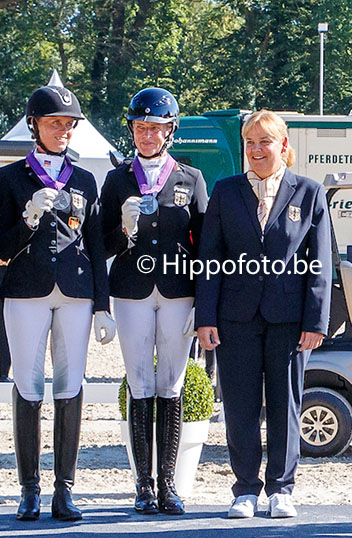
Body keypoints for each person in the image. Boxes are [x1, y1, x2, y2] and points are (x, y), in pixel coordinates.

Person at [195, 109, 332, 519]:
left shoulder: (309, 193)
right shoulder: (225, 191)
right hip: (235, 316)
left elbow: (320, 262)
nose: (256, 150)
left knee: (284, 403)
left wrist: (315, 322)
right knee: (239, 405)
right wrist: (206, 316)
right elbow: (209, 257)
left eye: (265, 142)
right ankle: (245, 490)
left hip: (289, 319)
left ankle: (281, 488)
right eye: (250, 143)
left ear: (283, 146)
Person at [0, 85, 116, 522]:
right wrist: (27, 217)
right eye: (53, 123)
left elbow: (96, 244)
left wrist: (103, 304)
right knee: (28, 384)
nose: (62, 130)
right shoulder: (9, 178)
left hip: (76, 292)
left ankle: (65, 489)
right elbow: (1, 245)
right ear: (34, 125)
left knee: (69, 386)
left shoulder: (84, 180)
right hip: (25, 290)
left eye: (67, 124)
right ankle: (30, 489)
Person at [101, 87, 208, 515]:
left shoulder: (190, 178)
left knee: (173, 384)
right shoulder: (116, 179)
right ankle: (142, 484)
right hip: (130, 290)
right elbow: (100, 243)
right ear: (132, 129)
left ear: (170, 131)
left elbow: (206, 244)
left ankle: (169, 483)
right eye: (141, 127)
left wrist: (205, 297)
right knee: (140, 381)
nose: (148, 135)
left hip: (180, 291)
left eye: (156, 128)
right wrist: (124, 231)